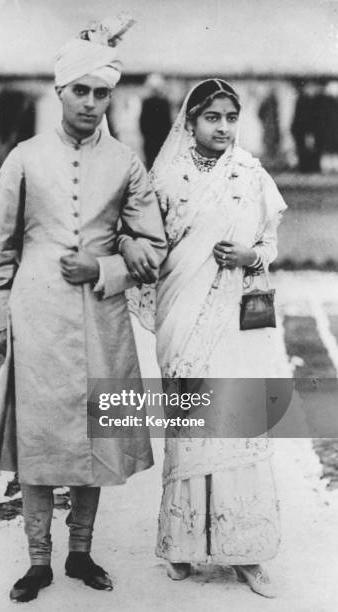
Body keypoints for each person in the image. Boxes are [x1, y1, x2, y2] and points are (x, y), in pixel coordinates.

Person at [0, 15, 167, 603]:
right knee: (38, 439)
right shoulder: (24, 158)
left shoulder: (128, 163)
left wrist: (105, 267)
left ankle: (81, 552)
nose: (91, 103)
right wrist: (0, 318)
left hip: (100, 318)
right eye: (80, 91)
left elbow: (153, 247)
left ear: (113, 95)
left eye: (101, 92)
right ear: (59, 91)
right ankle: (38, 561)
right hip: (35, 316)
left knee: (97, 436)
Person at [129, 79, 287, 598]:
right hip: (184, 317)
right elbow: (151, 249)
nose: (222, 128)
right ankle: (184, 543)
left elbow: (269, 243)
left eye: (230, 118)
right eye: (212, 118)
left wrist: (251, 257)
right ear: (190, 122)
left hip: (235, 318)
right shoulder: (167, 178)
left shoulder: (251, 172)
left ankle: (247, 552)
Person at [139, 73, 172, 169]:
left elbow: (142, 122)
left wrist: (145, 135)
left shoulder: (146, 102)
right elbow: (168, 123)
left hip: (149, 139)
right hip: (161, 139)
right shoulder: (164, 102)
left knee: (150, 163)